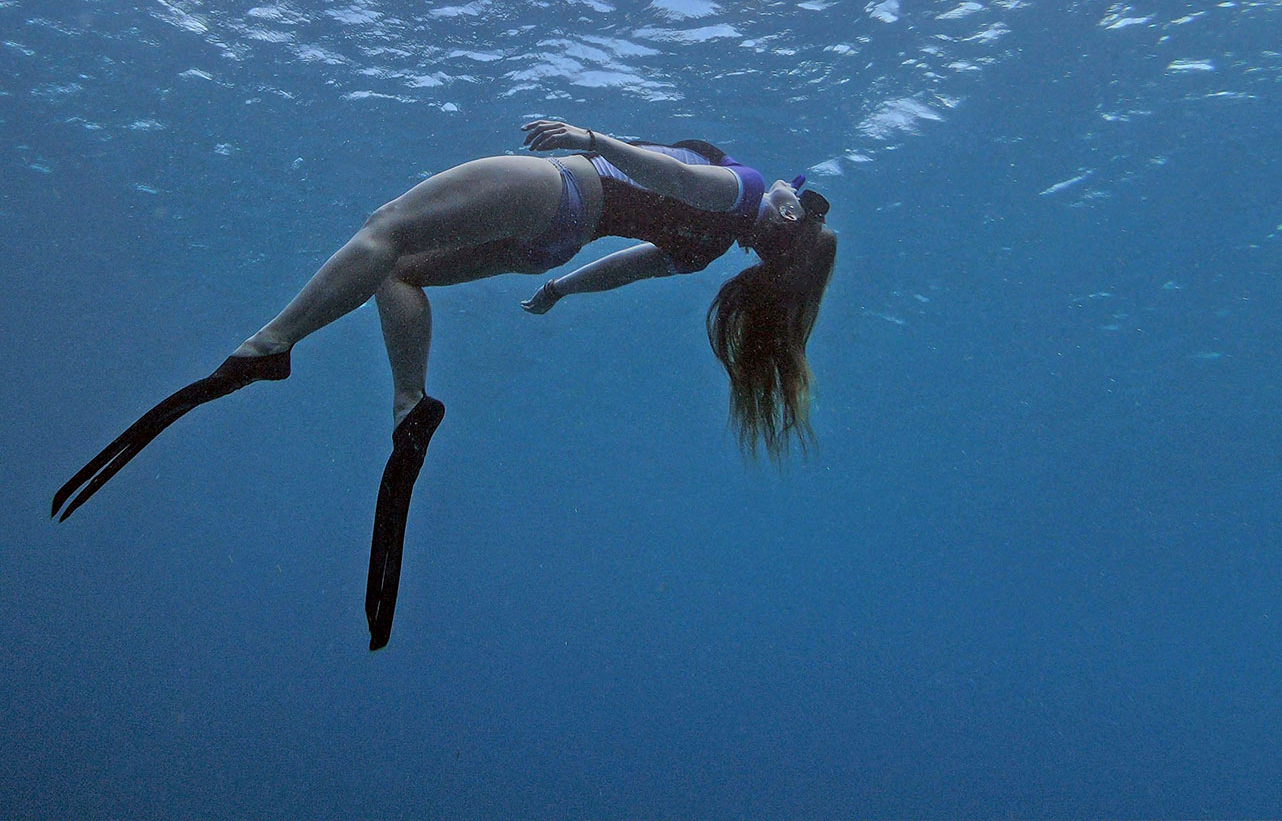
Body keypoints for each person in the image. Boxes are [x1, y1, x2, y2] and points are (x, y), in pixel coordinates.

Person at [51, 118, 839, 649]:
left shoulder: (740, 188)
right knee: (400, 271)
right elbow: (630, 266)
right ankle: (410, 406)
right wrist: (560, 290)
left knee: (383, 229)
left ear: (786, 217)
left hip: (563, 188)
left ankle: (267, 345)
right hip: (556, 243)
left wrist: (591, 137)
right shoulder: (708, 251)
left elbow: (675, 176)